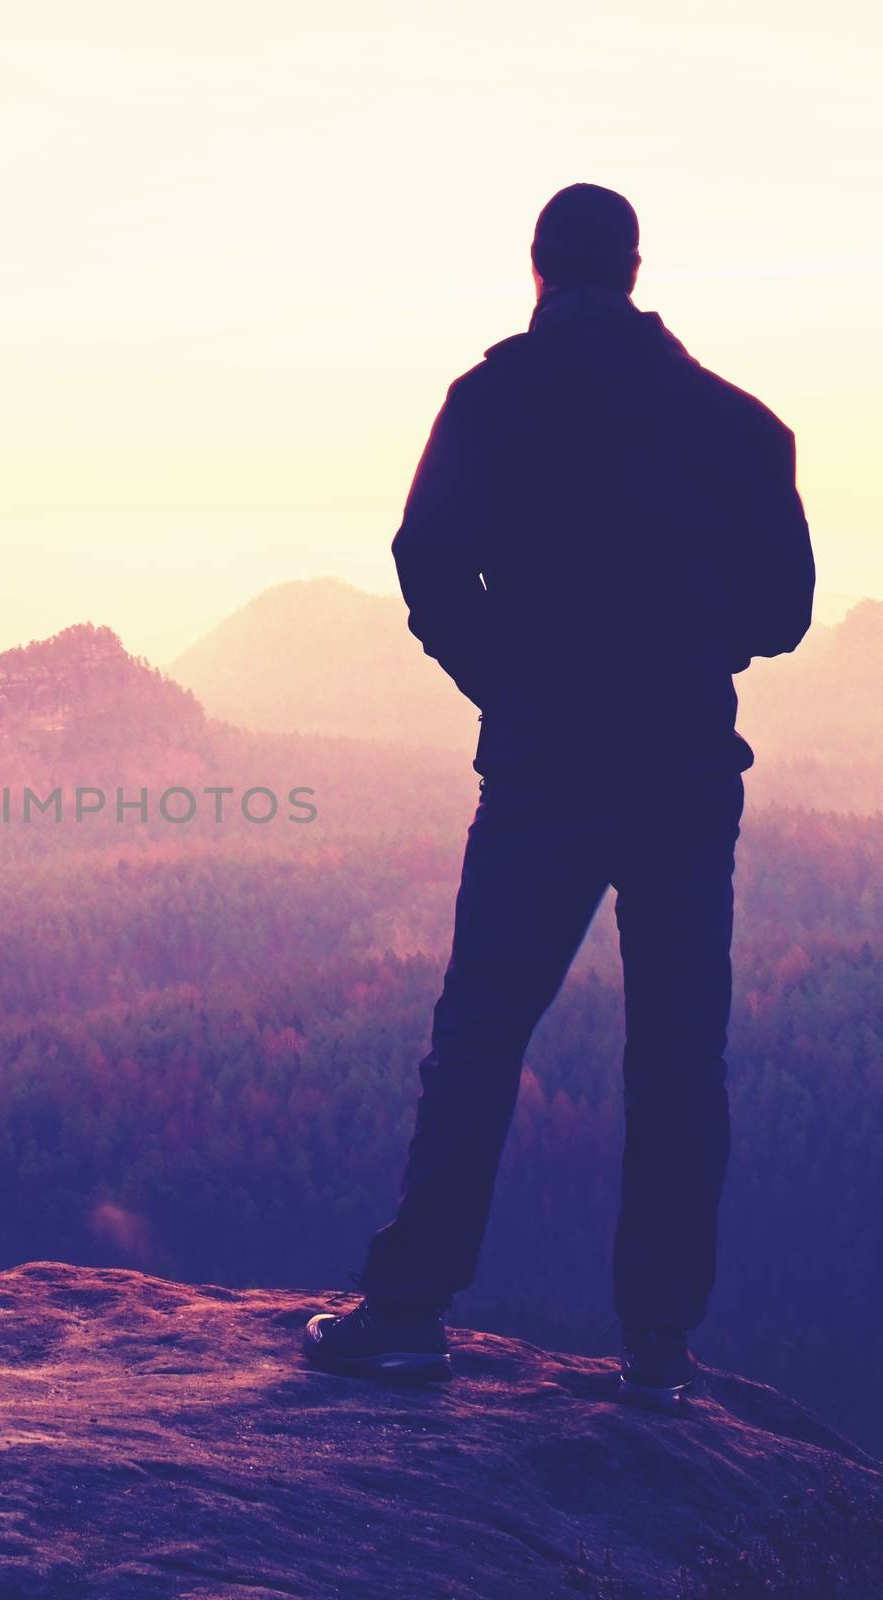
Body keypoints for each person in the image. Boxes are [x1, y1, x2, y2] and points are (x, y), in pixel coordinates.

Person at [304, 184, 815, 1404]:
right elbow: (785, 614)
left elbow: (423, 556)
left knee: (480, 1032)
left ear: (536, 272)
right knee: (680, 1055)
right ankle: (658, 1351)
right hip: (686, 767)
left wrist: (508, 683)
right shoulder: (739, 426)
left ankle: (411, 1313)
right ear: (635, 272)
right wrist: (696, 644)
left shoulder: (490, 401)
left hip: (545, 767)